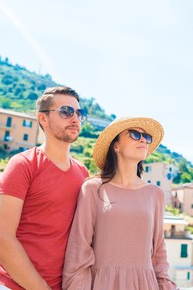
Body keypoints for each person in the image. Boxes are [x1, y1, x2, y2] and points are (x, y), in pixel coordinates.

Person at [0, 86, 89, 290]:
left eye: (79, 113)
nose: (75, 118)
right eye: (66, 112)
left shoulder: (82, 173)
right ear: (43, 119)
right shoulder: (23, 164)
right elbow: (0, 239)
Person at [62, 117, 178, 290]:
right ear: (115, 145)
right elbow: (79, 250)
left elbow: (159, 253)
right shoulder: (93, 188)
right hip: (103, 284)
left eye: (146, 137)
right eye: (135, 134)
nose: (142, 140)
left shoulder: (155, 194)